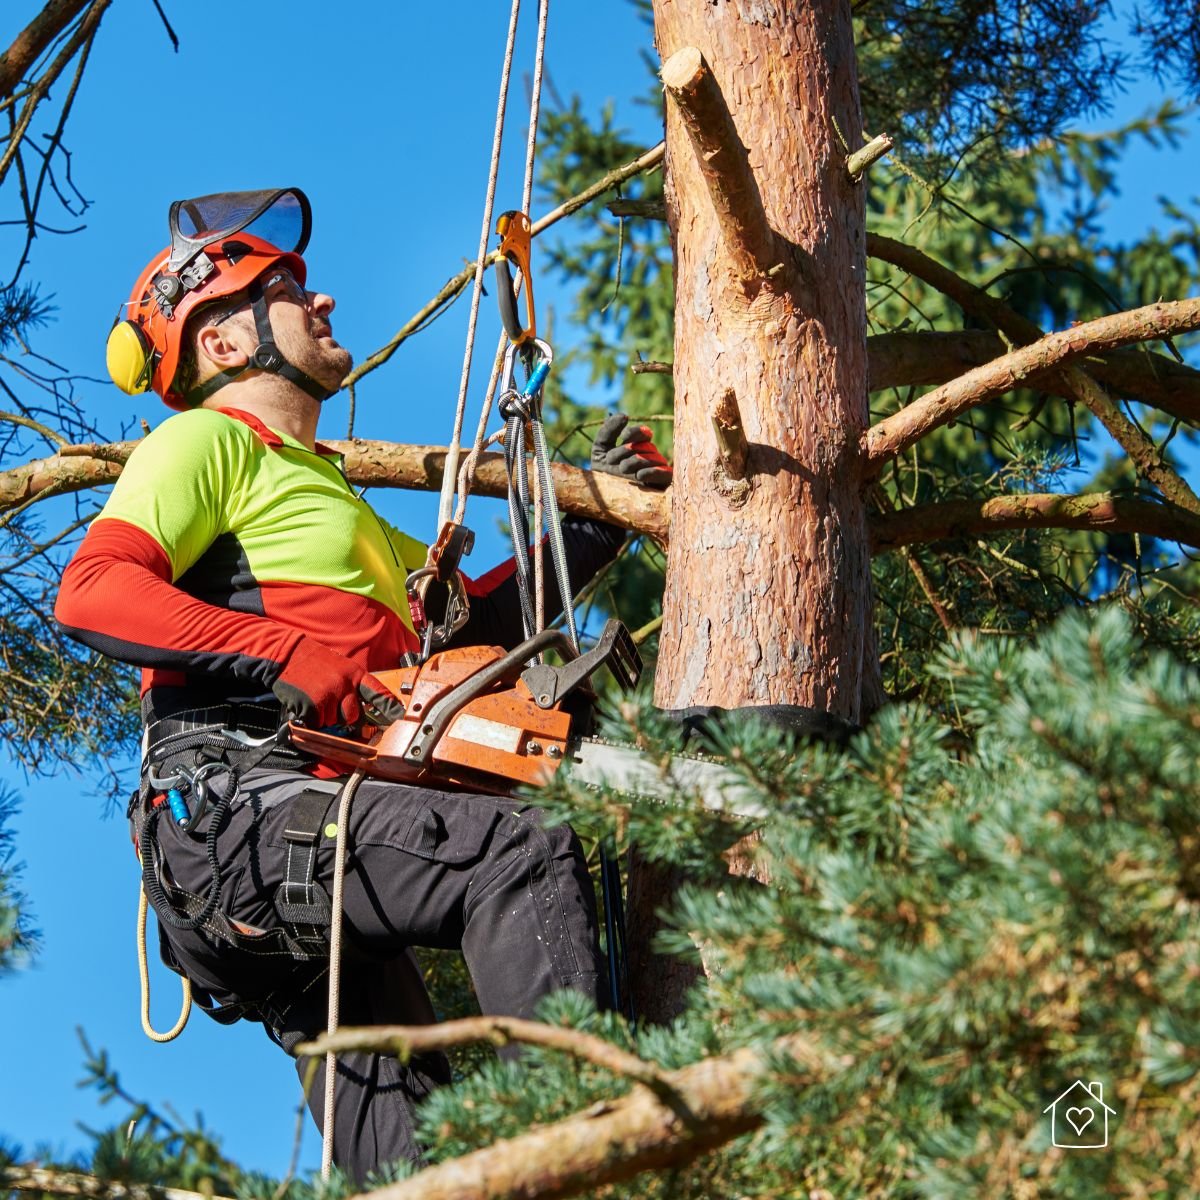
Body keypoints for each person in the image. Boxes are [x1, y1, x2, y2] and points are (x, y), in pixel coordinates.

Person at [53, 188, 672, 1181]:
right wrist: (278, 654)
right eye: (289, 290)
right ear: (221, 345)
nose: (325, 299)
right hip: (237, 813)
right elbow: (91, 591)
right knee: (515, 853)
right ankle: (589, 1147)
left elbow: (469, 626)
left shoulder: (335, 504)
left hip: (299, 846)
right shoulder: (211, 442)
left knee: (414, 1167)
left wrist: (596, 529)